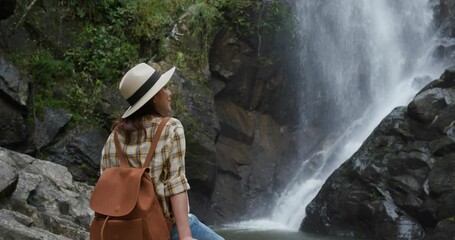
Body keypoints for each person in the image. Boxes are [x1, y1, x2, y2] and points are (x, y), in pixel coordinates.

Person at [99, 63, 224, 240]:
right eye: (164, 88)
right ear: (154, 97)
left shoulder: (114, 137)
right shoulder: (171, 127)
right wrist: (185, 236)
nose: (169, 93)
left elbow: (107, 186)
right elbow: (176, 184)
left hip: (124, 230)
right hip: (161, 228)